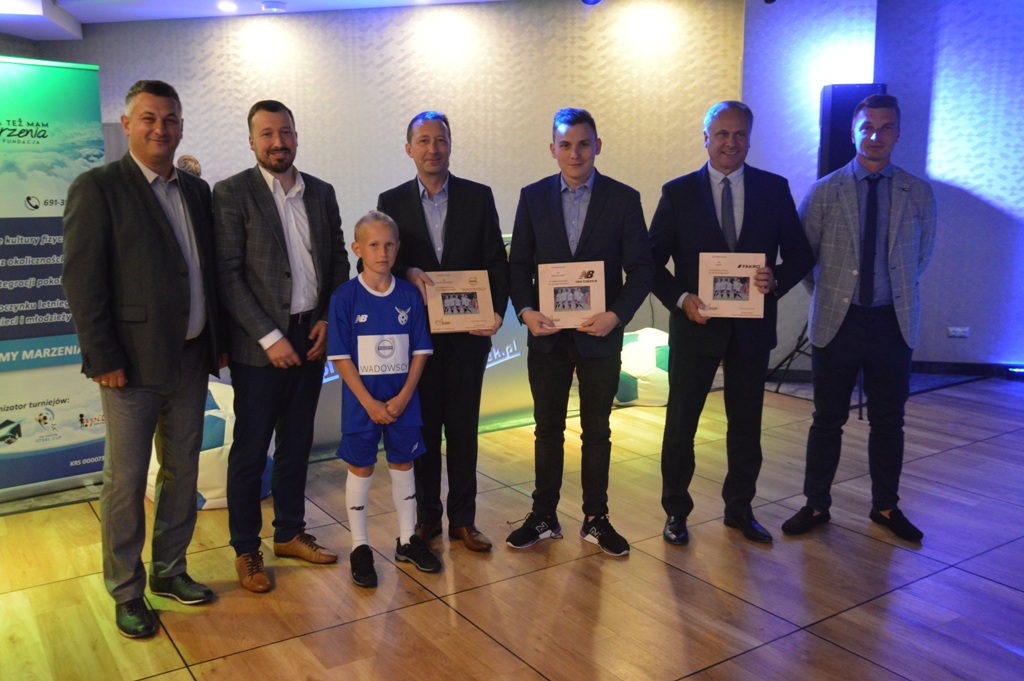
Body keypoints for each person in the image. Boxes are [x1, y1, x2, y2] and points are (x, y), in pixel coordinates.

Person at [62, 80, 224, 638]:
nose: (161, 128)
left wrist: (217, 341)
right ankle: (126, 590)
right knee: (127, 481)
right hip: (128, 366)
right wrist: (102, 355)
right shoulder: (98, 187)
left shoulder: (196, 190)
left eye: (171, 119)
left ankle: (170, 570)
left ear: (181, 126)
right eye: (149, 118)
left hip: (190, 359)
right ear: (128, 124)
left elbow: (204, 273)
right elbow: (82, 281)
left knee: (183, 472)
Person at [649, 101, 814, 546]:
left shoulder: (773, 189)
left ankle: (740, 509)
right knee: (681, 426)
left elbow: (801, 254)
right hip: (696, 326)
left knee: (746, 428)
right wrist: (681, 299)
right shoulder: (678, 193)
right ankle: (676, 512)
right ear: (706, 138)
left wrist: (775, 279)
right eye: (721, 134)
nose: (730, 143)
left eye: (739, 134)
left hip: (750, 330)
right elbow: (650, 261)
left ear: (750, 139)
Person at [782, 94, 936, 542]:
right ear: (854, 132)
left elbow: (921, 257)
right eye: (867, 127)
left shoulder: (917, 192)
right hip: (838, 322)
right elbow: (804, 259)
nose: (875, 136)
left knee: (889, 421)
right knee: (826, 419)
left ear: (898, 134)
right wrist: (833, 296)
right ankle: (816, 505)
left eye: (886, 128)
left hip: (893, 323)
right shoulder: (825, 191)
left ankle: (886, 506)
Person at [214, 100, 350, 592]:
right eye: (267, 133)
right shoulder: (231, 193)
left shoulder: (321, 192)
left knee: (296, 444)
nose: (278, 142)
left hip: (310, 336)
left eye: (285, 132)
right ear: (252, 141)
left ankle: (290, 532)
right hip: (259, 347)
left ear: (296, 136)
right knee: (251, 451)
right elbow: (228, 276)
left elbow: (338, 261)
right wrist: (270, 338)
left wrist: (327, 319)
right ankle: (246, 549)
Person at [506, 107, 653, 556]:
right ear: (553, 149)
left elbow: (642, 269)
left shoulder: (623, 199)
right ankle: (544, 515)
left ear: (597, 146)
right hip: (547, 337)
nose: (575, 153)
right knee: (547, 429)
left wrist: (616, 315)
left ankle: (595, 518)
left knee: (597, 431)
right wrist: (525, 311)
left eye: (583, 144)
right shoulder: (532, 197)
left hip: (599, 336)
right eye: (566, 145)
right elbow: (517, 265)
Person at [377, 111, 509, 553]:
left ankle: (464, 520)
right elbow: (375, 261)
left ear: (450, 146)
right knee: (424, 430)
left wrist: (497, 313)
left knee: (464, 430)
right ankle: (428, 518)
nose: (432, 149)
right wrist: (406, 270)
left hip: (468, 339)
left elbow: (497, 262)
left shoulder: (478, 197)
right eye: (424, 141)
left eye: (440, 140)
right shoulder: (391, 201)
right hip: (417, 341)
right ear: (408, 148)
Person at [327, 211, 439, 587]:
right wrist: (369, 403)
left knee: (403, 463)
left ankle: (407, 540)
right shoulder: (344, 297)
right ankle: (360, 546)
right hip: (363, 405)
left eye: (389, 244)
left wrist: (405, 396)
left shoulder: (409, 295)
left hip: (403, 403)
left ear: (398, 247)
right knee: (361, 467)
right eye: (373, 245)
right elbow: (341, 357)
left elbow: (420, 350)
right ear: (357, 248)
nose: (382, 252)